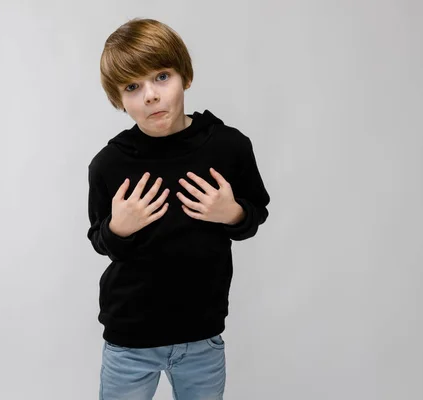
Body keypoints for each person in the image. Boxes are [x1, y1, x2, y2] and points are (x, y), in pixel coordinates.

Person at [87, 18, 271, 400]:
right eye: (132, 87)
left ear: (185, 77)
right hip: (129, 340)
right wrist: (118, 227)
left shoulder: (229, 147)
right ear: (117, 99)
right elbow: (100, 239)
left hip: (201, 337)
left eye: (161, 77)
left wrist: (232, 213)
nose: (151, 95)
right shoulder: (109, 164)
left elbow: (256, 213)